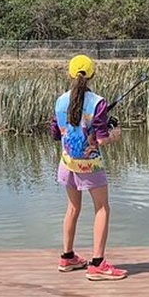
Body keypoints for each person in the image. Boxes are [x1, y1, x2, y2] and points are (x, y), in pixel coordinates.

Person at [50, 54, 127, 281]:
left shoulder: (60, 101)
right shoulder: (98, 102)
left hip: (67, 163)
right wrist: (115, 134)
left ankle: (67, 258)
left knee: (73, 208)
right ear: (92, 74)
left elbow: (56, 133)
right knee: (102, 208)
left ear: (70, 74)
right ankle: (97, 264)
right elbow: (101, 139)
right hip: (90, 165)